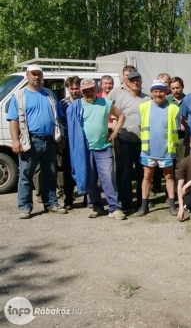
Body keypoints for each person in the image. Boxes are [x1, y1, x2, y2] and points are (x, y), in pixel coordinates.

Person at [7, 64, 68, 219]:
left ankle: (51, 203)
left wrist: (59, 137)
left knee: (50, 174)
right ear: (27, 75)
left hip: (50, 141)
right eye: (33, 74)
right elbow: (13, 120)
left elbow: (58, 117)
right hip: (30, 141)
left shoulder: (49, 94)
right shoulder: (19, 96)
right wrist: (15, 140)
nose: (36, 77)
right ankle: (25, 207)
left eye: (39, 74)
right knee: (26, 175)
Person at [67, 79, 127, 220]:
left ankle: (114, 208)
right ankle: (96, 206)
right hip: (84, 150)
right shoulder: (77, 106)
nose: (89, 92)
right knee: (90, 179)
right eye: (85, 90)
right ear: (82, 91)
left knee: (108, 178)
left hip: (103, 148)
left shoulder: (105, 102)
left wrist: (114, 134)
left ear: (96, 88)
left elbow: (121, 116)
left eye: (91, 89)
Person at [136, 80, 180, 217]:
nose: (158, 93)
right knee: (147, 176)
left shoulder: (174, 108)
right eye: (155, 91)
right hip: (148, 150)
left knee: (169, 176)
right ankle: (144, 205)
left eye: (161, 91)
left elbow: (177, 128)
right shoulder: (143, 107)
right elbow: (140, 126)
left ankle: (172, 205)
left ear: (166, 92)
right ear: (151, 92)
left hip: (166, 150)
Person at [113, 71, 151, 212]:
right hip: (125, 141)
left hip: (143, 142)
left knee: (143, 173)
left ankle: (142, 202)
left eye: (138, 80)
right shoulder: (121, 99)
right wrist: (115, 139)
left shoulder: (147, 99)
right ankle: (126, 202)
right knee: (126, 173)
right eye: (132, 80)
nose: (135, 82)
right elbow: (116, 120)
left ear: (141, 82)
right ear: (127, 83)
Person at [58, 76, 81, 209]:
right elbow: (60, 122)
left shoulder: (85, 101)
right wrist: (61, 139)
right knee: (67, 170)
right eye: (71, 88)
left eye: (76, 88)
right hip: (67, 141)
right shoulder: (63, 103)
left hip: (82, 141)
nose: (74, 91)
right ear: (68, 89)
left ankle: (88, 198)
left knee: (85, 169)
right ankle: (68, 199)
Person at [167, 76, 187, 163]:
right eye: (173, 88)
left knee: (182, 161)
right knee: (169, 161)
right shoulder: (166, 101)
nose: (176, 90)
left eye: (178, 87)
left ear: (182, 87)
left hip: (184, 136)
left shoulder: (188, 100)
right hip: (169, 136)